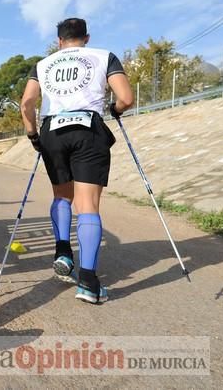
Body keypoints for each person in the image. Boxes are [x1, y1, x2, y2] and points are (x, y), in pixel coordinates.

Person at [19, 18, 134, 304]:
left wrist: (34, 135)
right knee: (88, 206)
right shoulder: (103, 56)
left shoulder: (42, 65)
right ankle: (88, 282)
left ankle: (62, 253)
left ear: (59, 41)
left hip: (52, 132)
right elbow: (126, 98)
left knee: (62, 196)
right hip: (87, 128)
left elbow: (26, 104)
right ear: (86, 37)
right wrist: (115, 109)